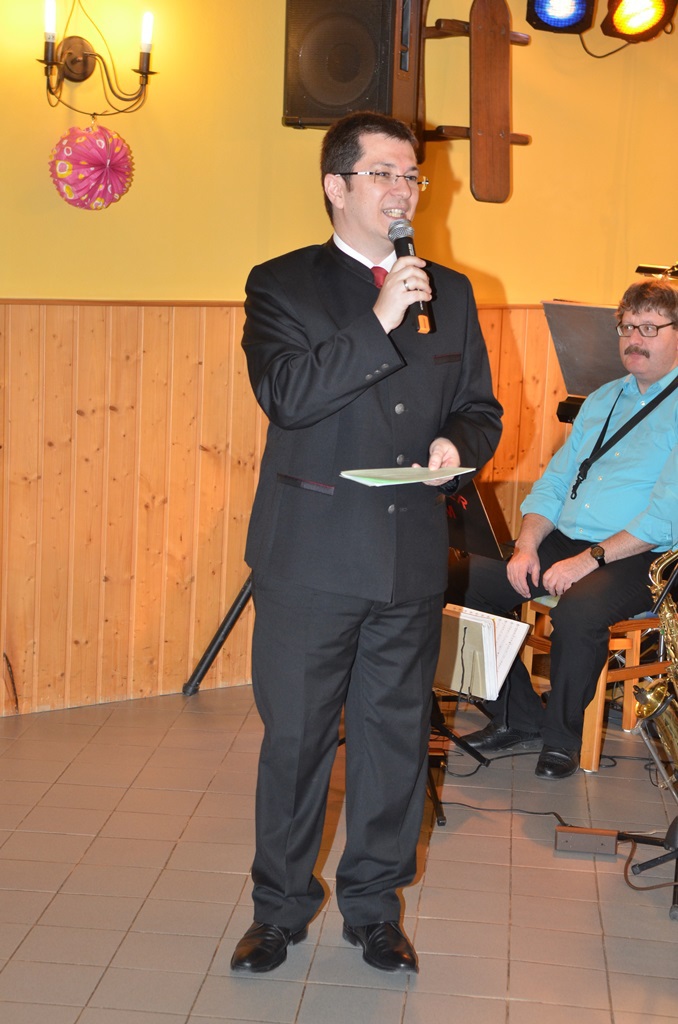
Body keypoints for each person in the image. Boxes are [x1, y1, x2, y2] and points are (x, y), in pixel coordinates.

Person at [230, 111, 502, 974]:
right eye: (383, 173)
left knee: (393, 740)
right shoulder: (281, 285)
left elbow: (480, 407)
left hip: (409, 555)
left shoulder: (451, 290)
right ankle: (277, 910)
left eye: (411, 175)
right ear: (335, 186)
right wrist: (379, 318)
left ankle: (376, 910)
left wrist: (458, 447)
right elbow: (287, 396)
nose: (403, 190)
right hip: (311, 556)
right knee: (298, 741)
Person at [448, 278, 678, 780]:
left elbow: (664, 517)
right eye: (626, 327)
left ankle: (561, 739)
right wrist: (527, 545)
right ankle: (518, 717)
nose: (633, 339)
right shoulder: (603, 399)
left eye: (650, 328)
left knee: (578, 610)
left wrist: (586, 561)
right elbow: (552, 484)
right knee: (461, 584)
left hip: (644, 554)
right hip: (569, 540)